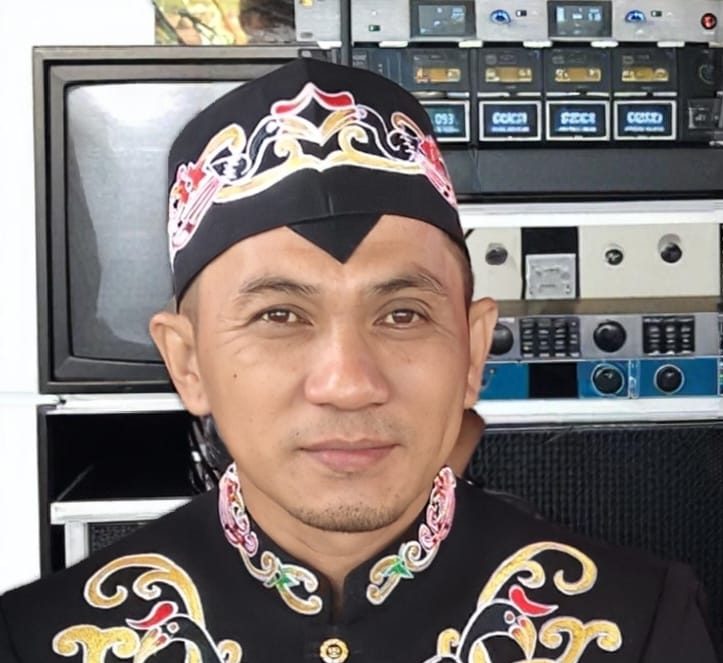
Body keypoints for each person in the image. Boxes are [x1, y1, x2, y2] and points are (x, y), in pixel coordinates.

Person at [0, 58, 719, 663]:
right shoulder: (39, 642)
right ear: (187, 364)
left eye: (402, 315)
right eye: (279, 316)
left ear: (473, 350)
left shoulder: (637, 627)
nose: (348, 384)